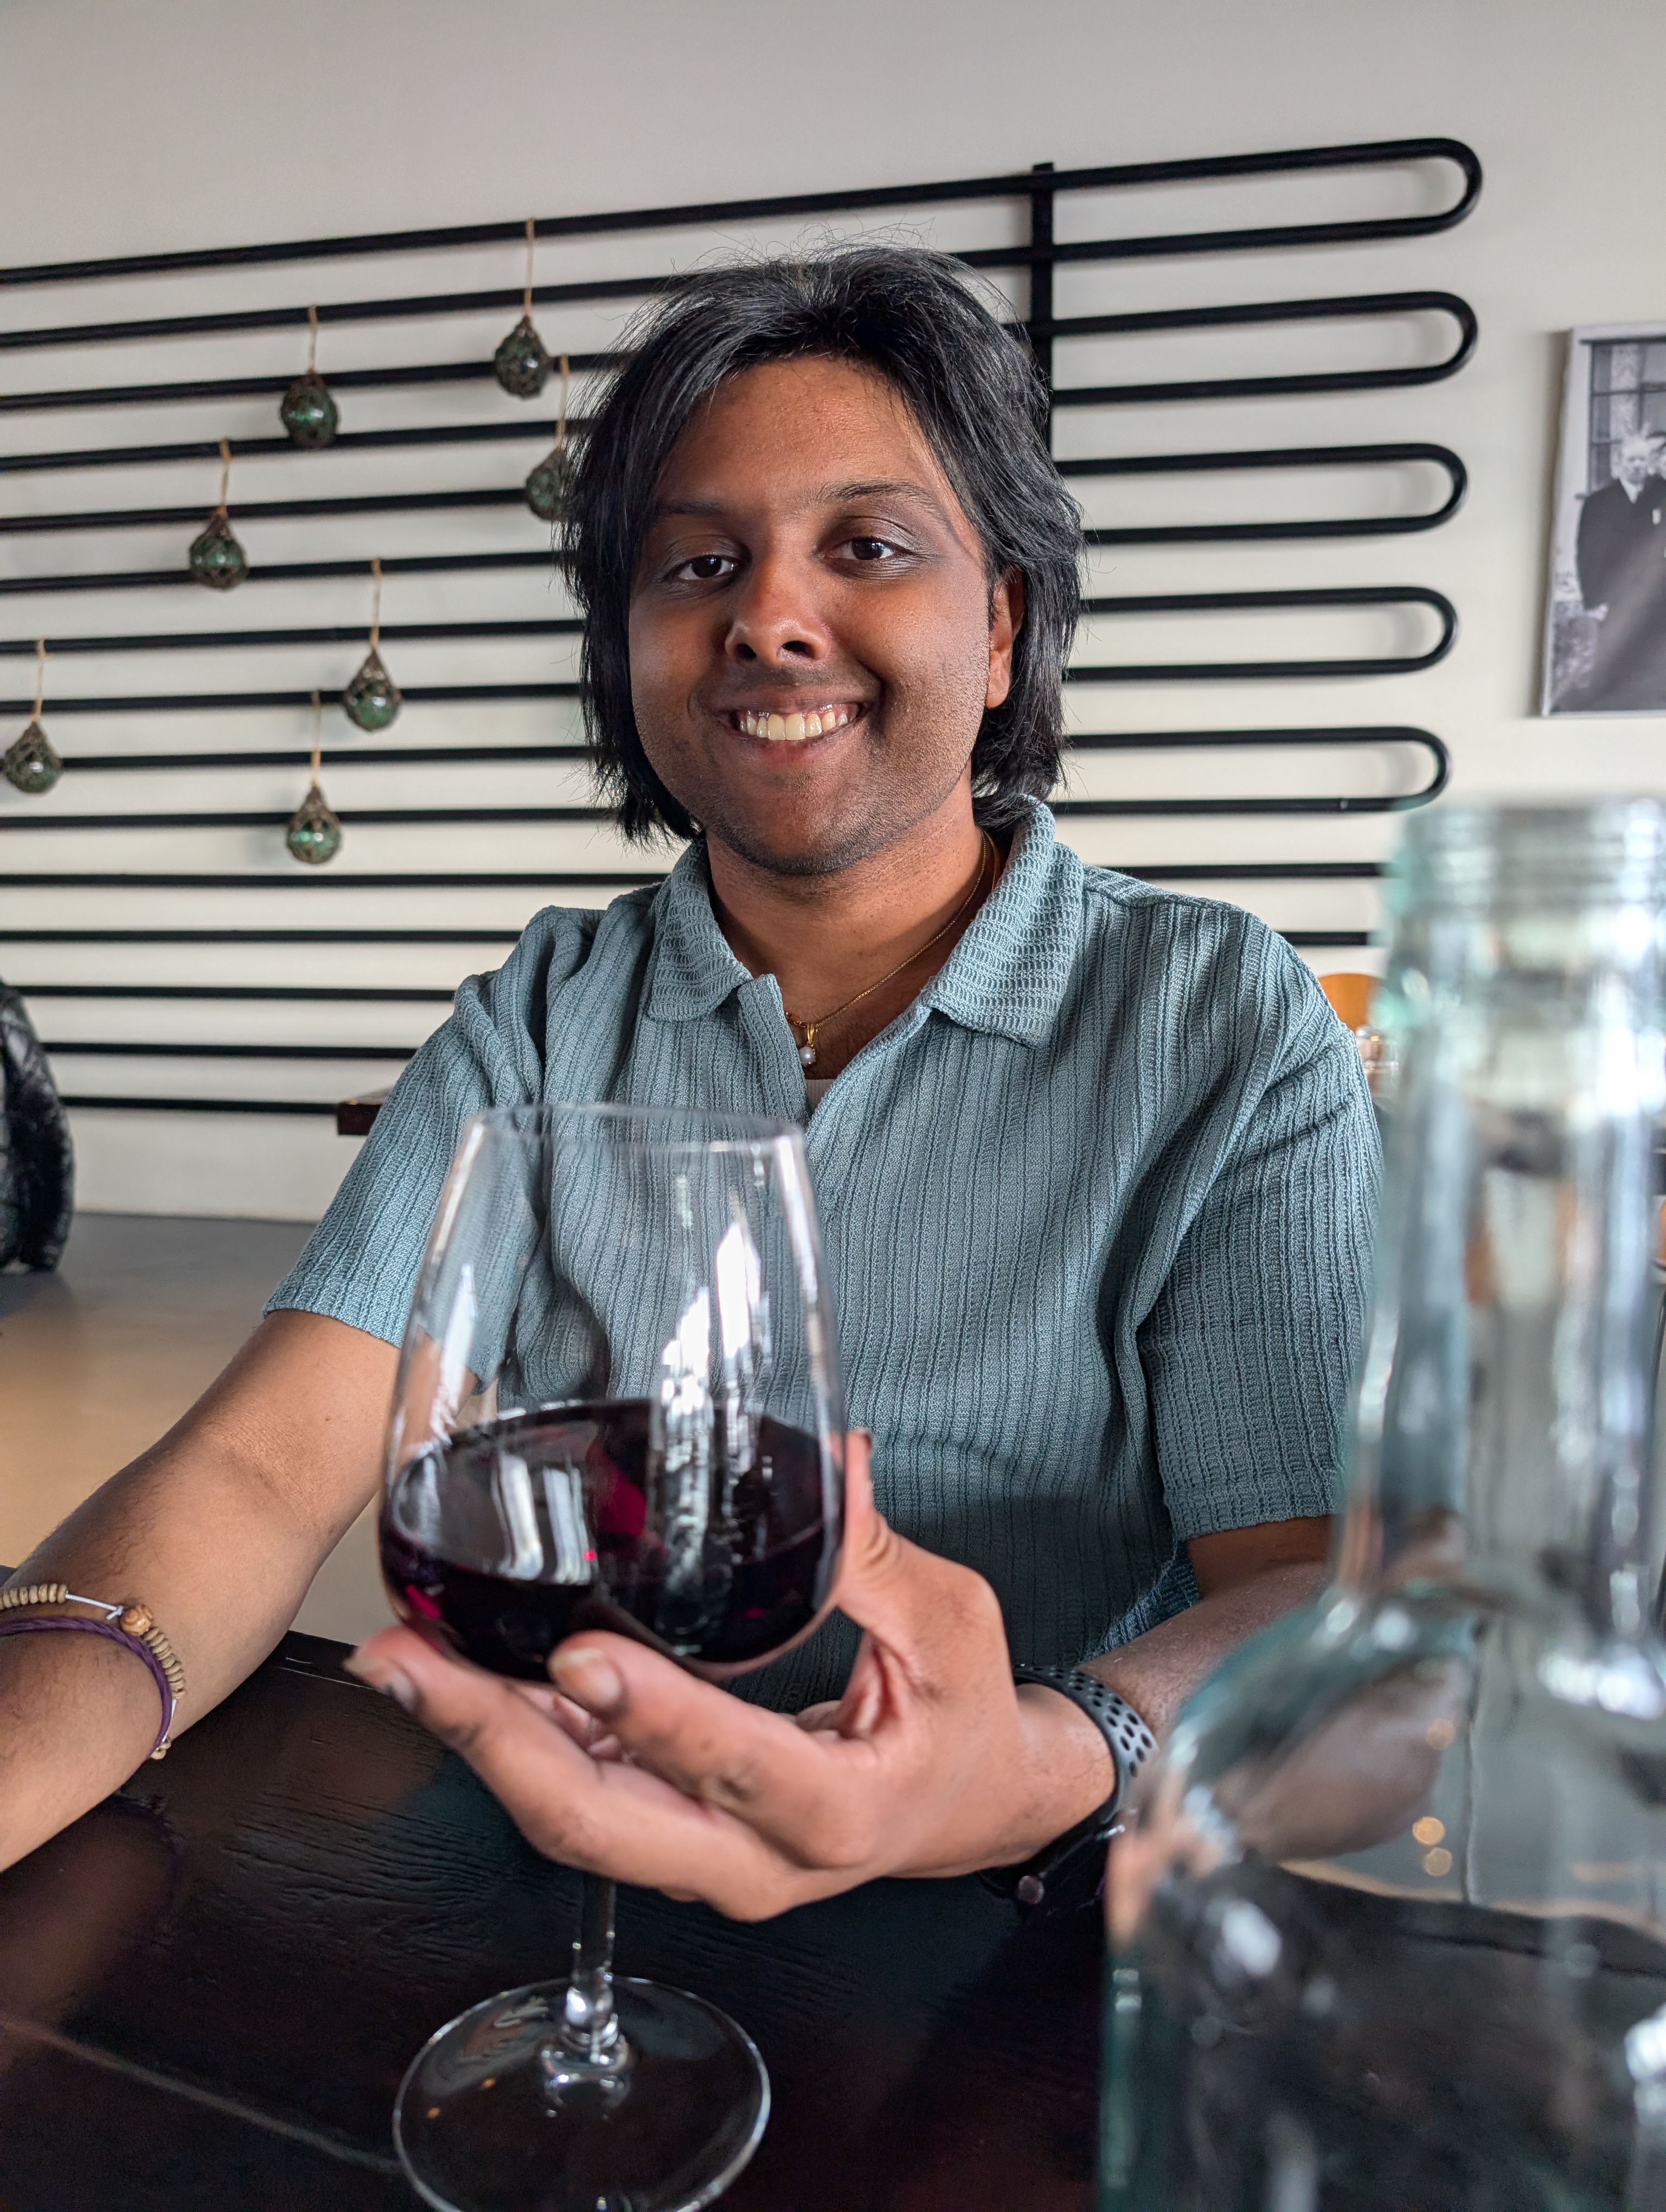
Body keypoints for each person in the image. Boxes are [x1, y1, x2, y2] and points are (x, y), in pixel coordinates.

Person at [0, 248, 1379, 1915]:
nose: (769, 619)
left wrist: (1043, 1760)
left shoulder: (1215, 1022)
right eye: (697, 563)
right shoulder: (543, 1012)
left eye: (867, 547)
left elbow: (1329, 1618)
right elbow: (257, 1473)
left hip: (1015, 1912)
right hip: (552, 1863)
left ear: (1004, 624)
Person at [1574, 428, 1666, 710]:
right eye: (1632, 460)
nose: (1638, 466)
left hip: (1654, 596)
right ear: (1619, 462)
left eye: (1643, 460)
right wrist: (1593, 601)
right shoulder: (1599, 502)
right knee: (1612, 663)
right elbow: (1587, 555)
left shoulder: (1656, 497)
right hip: (1612, 595)